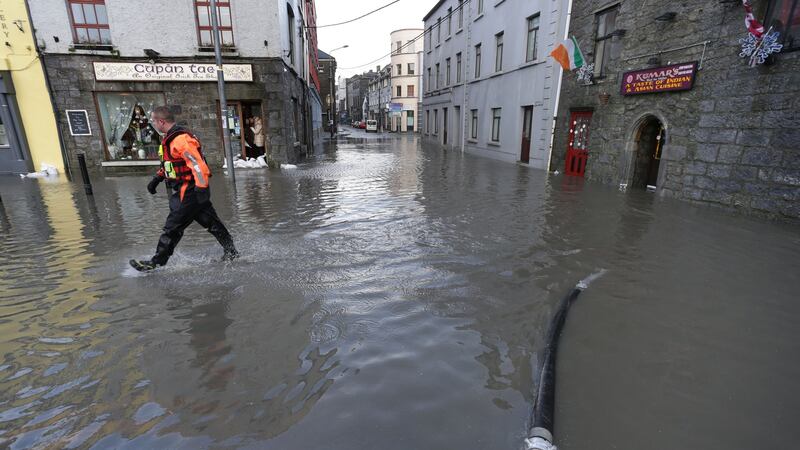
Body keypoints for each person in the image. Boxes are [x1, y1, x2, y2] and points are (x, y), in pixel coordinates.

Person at [130, 106, 238, 272]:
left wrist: (201, 189)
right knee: (212, 223)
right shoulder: (170, 138)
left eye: (153, 120)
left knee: (172, 226)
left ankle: (156, 262)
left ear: (161, 121)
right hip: (190, 190)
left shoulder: (181, 139)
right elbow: (170, 164)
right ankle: (231, 252)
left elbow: (198, 165)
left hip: (188, 191)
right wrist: (157, 179)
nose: (152, 124)